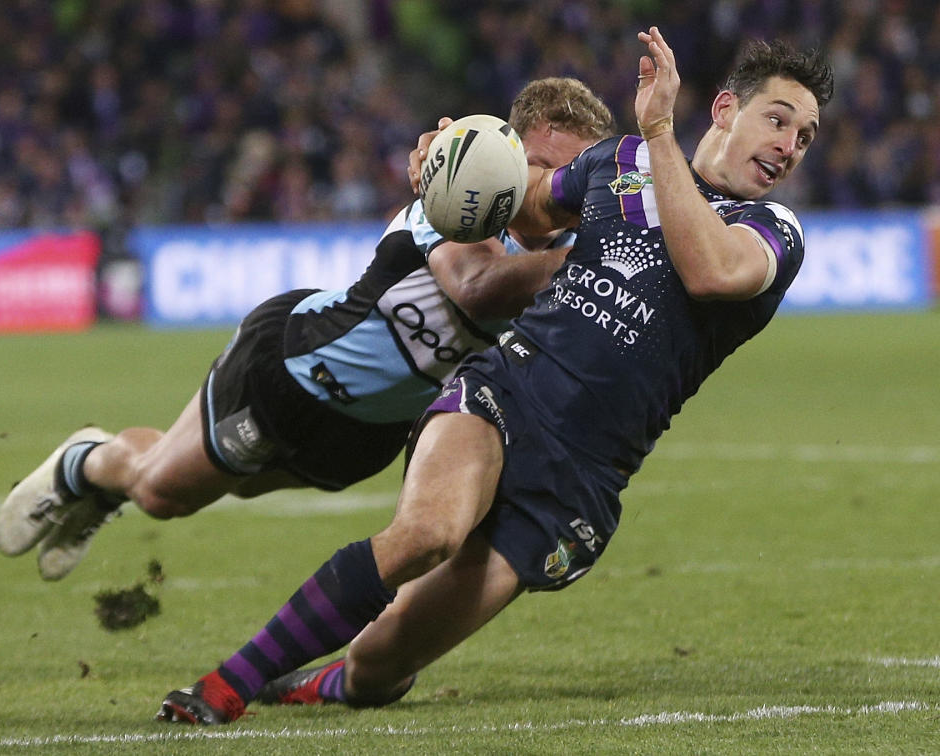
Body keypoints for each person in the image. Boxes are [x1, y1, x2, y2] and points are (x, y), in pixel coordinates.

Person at [145, 26, 833, 725]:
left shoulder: (772, 232)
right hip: (507, 390)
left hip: (583, 473)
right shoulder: (616, 161)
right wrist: (452, 169)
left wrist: (658, 132)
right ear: (725, 111)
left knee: (382, 663)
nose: (788, 144)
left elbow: (709, 270)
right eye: (778, 120)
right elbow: (524, 205)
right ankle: (229, 684)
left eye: (805, 137)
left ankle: (330, 680)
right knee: (428, 532)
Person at [0, 77, 614, 584]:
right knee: (164, 494)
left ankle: (116, 471)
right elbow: (478, 287)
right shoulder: (451, 194)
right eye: (540, 167)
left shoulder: (577, 249)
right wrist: (597, 258)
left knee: (232, 487)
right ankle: (89, 467)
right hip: (293, 369)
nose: (554, 190)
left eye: (573, 176)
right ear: (505, 157)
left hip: (367, 435)